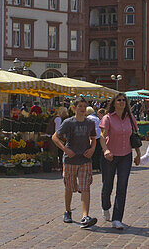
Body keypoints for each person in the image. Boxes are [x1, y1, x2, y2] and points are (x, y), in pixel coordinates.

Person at [52, 96, 98, 229]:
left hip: (85, 160)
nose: (83, 109)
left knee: (85, 187)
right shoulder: (68, 122)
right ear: (74, 108)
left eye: (84, 106)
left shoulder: (90, 123)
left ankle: (85, 216)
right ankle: (67, 211)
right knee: (69, 187)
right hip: (70, 160)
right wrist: (65, 149)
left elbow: (93, 138)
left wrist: (92, 148)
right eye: (80, 106)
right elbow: (55, 137)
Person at [99, 93, 140, 230]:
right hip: (110, 156)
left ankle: (117, 219)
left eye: (124, 100)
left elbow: (134, 137)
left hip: (125, 156)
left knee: (122, 187)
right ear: (114, 102)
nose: (122, 102)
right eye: (119, 100)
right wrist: (105, 150)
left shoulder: (130, 118)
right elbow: (102, 137)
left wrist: (138, 154)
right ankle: (106, 206)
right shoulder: (108, 118)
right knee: (107, 185)